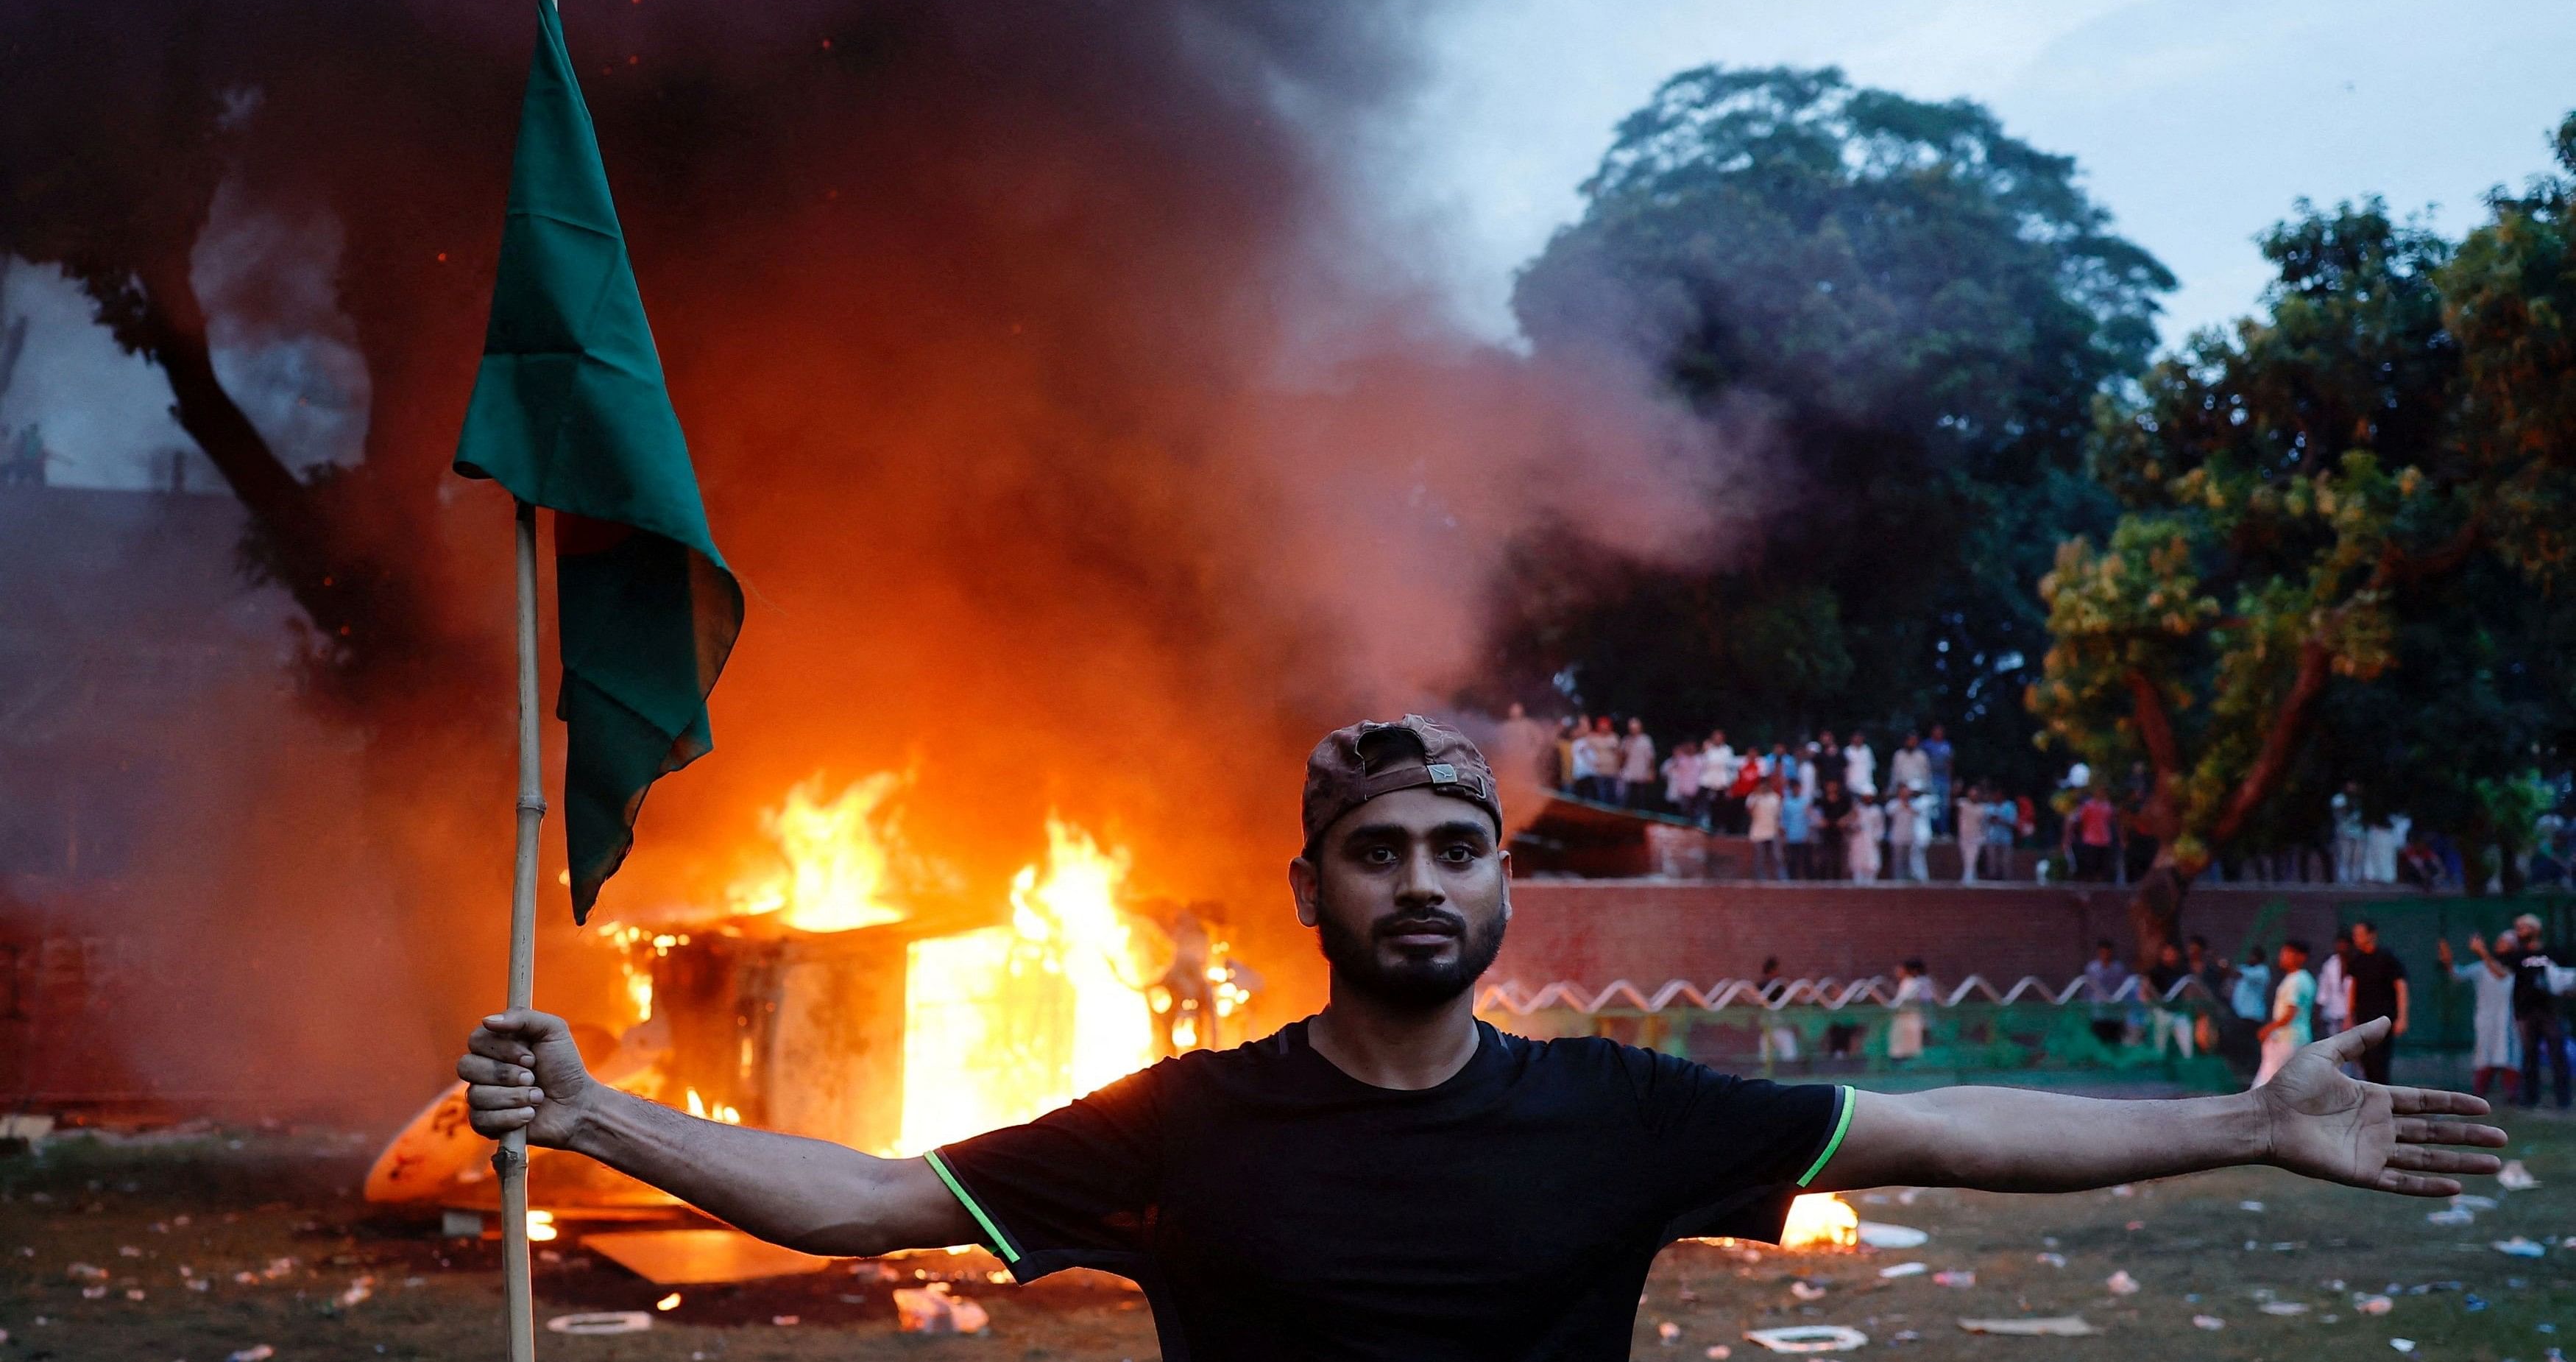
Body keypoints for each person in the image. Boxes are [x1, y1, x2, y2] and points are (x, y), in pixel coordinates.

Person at [463, 714, 2505, 1362]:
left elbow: (1953, 1131)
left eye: (1458, 845)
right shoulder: (1185, 1123)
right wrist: (596, 1111)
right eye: (1378, 852)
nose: (1423, 879)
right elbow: (874, 1201)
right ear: (1314, 893)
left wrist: (2243, 1126)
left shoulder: (1619, 1113)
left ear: (1501, 889)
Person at [2441, 931, 2521, 1103]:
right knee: (2485, 1055)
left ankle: (2512, 1095)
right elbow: (2458, 974)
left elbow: (2500, 974)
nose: (2500, 944)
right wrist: (2448, 958)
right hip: (2486, 1020)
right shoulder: (2481, 967)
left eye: (2505, 942)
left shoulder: (2516, 966)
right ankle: (2479, 1094)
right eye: (2500, 940)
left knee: (2510, 1055)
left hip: (2509, 1020)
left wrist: (2481, 951)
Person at [2510, 913, 2571, 1109]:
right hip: (2527, 1011)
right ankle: (2530, 1098)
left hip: (2550, 1010)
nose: (2520, 932)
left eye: (2523, 928)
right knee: (2530, 1056)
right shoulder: (2518, 957)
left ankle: (2563, 1098)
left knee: (2557, 1054)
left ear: (2535, 929)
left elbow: (2566, 979)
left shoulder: (2554, 953)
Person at [2342, 920, 2410, 1085]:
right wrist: (2349, 1016)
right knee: (2366, 1062)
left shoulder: (2387, 958)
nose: (2356, 938)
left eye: (2360, 934)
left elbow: (2401, 987)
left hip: (2383, 1019)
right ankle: (2373, 1099)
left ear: (2371, 935)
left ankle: (2384, 1100)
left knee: (2380, 1060)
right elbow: (2352, 989)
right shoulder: (2357, 961)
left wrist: (2402, 1017)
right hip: (2363, 1018)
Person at [2256, 941, 2318, 1086]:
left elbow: (2291, 1013)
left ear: (2301, 957)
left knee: (2268, 1083)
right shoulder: (2303, 979)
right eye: (2283, 953)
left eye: (2287, 953)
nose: (2282, 957)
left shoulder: (2297, 980)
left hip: (2287, 1040)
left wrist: (2268, 1029)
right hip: (2296, 1038)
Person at [2144, 940, 2194, 1059]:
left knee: (2187, 1046)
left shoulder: (2183, 971)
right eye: (2167, 952)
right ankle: (2158, 1070)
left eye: (2172, 952)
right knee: (2159, 1047)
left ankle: (2188, 1068)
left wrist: (2188, 1005)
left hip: (2179, 1013)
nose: (2170, 955)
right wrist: (2151, 1009)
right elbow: (2145, 991)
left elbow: (2189, 991)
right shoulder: (2155, 972)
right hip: (2162, 1012)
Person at [2083, 940, 2130, 1049]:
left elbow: (2124, 987)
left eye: (2107, 952)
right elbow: (2088, 989)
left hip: (2115, 1011)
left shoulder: (2119, 968)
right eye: (2102, 952)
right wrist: (2086, 1006)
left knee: (2115, 1039)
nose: (2105, 955)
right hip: (2098, 1011)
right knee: (2099, 1039)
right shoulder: (2092, 968)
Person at [1888, 959, 1933, 1063]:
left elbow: (1910, 1000)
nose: (1899, 972)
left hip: (1916, 1022)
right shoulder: (1908, 983)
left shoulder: (1919, 983)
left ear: (1913, 971)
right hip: (1909, 1021)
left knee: (1912, 1052)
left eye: (1903, 969)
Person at [1746, 775, 1786, 883]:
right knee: (1759, 859)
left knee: (1777, 857)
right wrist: (1758, 797)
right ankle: (1760, 881)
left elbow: (1779, 816)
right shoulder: (1753, 797)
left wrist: (1781, 830)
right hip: (1758, 832)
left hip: (1773, 831)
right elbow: (1749, 812)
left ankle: (1782, 880)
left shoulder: (1775, 798)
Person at [2073, 788, 2117, 882]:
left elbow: (2112, 821)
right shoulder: (2088, 806)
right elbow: (2080, 821)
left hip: (2104, 840)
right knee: (2090, 867)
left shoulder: (2108, 806)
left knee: (2104, 867)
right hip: (2090, 840)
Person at [1814, 778, 1853, 883]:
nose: (1831, 787)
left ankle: (1837, 882)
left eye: (1833, 784)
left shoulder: (1843, 799)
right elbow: (1809, 809)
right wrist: (1819, 820)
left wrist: (1844, 820)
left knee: (1838, 858)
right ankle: (1822, 881)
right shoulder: (1822, 798)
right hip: (1825, 831)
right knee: (1824, 857)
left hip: (1838, 831)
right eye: (1829, 785)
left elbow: (1854, 811)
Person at [1616, 719, 1656, 810]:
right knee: (1625, 798)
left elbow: (1651, 758)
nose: (1633, 730)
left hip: (1641, 774)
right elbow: (1622, 757)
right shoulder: (1626, 740)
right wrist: (1620, 769)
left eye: (1635, 728)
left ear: (1640, 728)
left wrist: (1652, 771)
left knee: (1640, 799)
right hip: (1628, 774)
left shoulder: (1646, 740)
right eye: (1631, 728)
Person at [1847, 789, 1885, 884]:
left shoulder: (1877, 810)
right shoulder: (1857, 809)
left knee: (1872, 865)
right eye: (1865, 797)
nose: (1867, 799)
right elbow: (1850, 824)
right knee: (1857, 866)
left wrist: (1877, 838)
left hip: (1871, 841)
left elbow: (1880, 827)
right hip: (1858, 841)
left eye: (1869, 797)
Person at [1923, 724, 1955, 834]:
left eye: (1940, 732)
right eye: (1936, 731)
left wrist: (1950, 781)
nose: (1939, 733)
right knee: (1932, 805)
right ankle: (1931, 832)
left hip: (1944, 779)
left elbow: (1950, 764)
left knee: (1944, 806)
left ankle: (1944, 832)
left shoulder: (1946, 746)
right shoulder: (1927, 745)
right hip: (1931, 778)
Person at [1780, 779, 1813, 882]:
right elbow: (1784, 821)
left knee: (1806, 860)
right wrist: (1784, 836)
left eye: (1798, 788)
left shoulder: (1806, 802)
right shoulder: (1787, 803)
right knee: (1792, 860)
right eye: (1794, 788)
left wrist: (1809, 834)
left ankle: (1808, 879)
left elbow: (1810, 819)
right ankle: (1792, 879)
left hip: (1804, 836)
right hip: (1791, 837)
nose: (1796, 790)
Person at [1956, 781, 1986, 886]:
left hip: (1976, 837)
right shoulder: (1963, 804)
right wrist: (1956, 790)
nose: (1973, 796)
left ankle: (1967, 880)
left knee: (1971, 858)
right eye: (1971, 794)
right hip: (1964, 836)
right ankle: (1973, 878)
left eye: (1975, 794)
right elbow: (1952, 803)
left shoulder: (1982, 808)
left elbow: (1983, 824)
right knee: (1966, 858)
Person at [1661, 741, 1702, 817]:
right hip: (1679, 792)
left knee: (1690, 813)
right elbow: (1665, 773)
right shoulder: (1678, 761)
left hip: (1694, 792)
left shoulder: (1699, 760)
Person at [1888, 733, 1931, 805]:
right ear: (1906, 741)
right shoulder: (1899, 755)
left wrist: (1925, 790)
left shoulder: (1922, 755)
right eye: (1910, 740)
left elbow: (1926, 775)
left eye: (1914, 741)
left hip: (1918, 791)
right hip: (1901, 790)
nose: (1912, 742)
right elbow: (1895, 775)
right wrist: (1894, 790)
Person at [1844, 730, 1877, 798]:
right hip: (1851, 785)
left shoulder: (1867, 750)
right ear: (1852, 738)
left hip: (1866, 785)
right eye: (1856, 737)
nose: (1858, 739)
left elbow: (1872, 767)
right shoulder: (1847, 751)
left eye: (1860, 737)